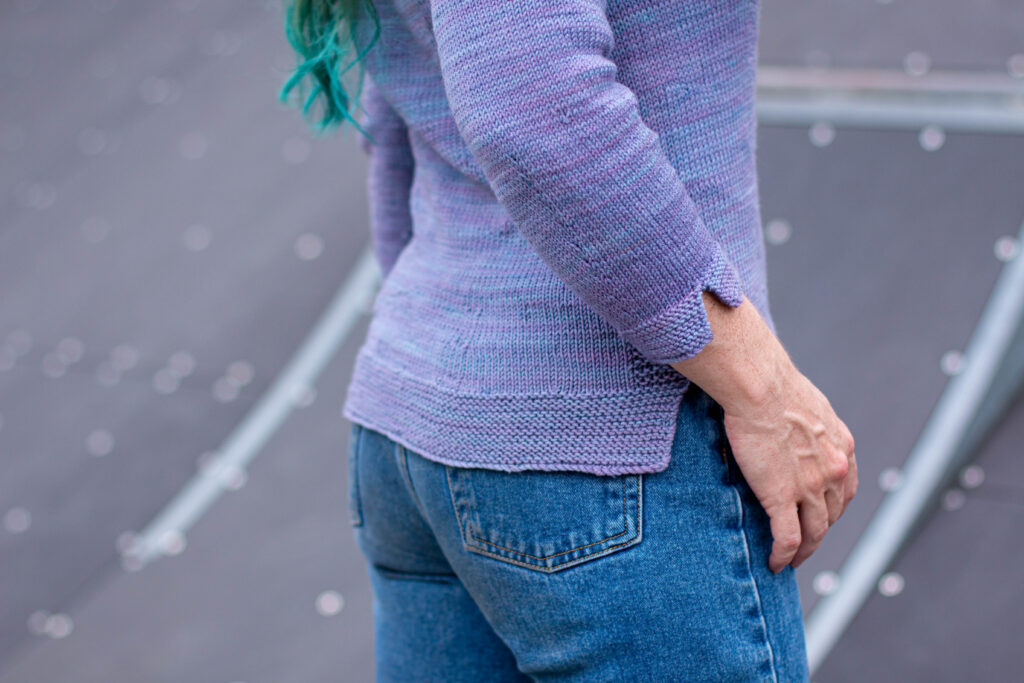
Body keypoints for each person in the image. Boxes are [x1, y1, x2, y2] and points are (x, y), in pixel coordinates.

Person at [280, 0, 858, 680]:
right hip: (612, 449)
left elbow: (398, 112)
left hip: (414, 423)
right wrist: (763, 388)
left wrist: (438, 369)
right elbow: (528, 99)